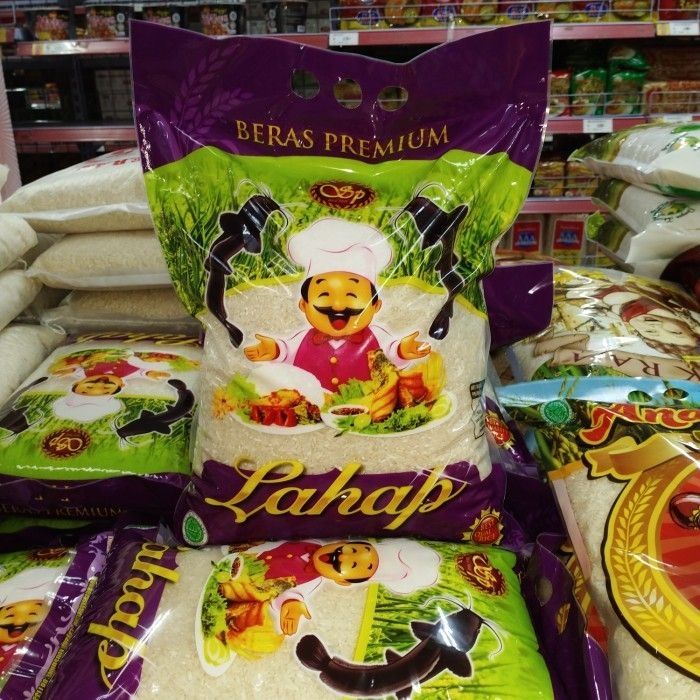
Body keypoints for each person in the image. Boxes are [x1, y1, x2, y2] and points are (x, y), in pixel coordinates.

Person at [244, 220, 431, 392]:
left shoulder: (377, 338)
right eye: (324, 294)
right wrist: (275, 350)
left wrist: (402, 351)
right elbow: (287, 351)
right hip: (310, 404)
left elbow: (390, 353)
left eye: (352, 295)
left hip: (367, 406)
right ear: (303, 305)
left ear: (375, 305)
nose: (338, 305)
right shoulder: (304, 339)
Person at [218, 539, 440, 640]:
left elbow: (291, 594)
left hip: (240, 584)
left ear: (343, 582)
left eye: (352, 565)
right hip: (236, 552)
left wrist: (292, 605)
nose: (343, 556)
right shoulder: (310, 539)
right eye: (352, 550)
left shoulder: (312, 582)